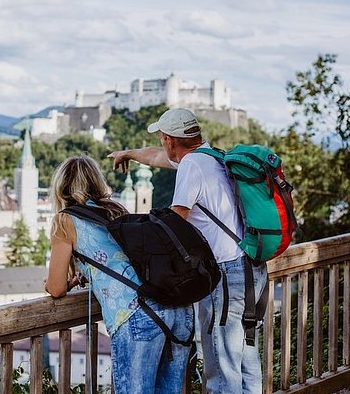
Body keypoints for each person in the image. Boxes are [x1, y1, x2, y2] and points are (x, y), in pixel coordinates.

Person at [109, 108, 268, 394]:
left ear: (170, 139)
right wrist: (129, 153)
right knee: (245, 358)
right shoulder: (212, 156)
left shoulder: (191, 166)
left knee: (222, 369)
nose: (160, 143)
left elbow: (173, 223)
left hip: (226, 274)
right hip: (250, 267)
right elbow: (157, 158)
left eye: (161, 137)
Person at [44, 155, 193, 394]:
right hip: (175, 309)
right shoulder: (117, 210)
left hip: (136, 313)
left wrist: (70, 280)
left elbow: (56, 288)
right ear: (96, 181)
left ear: (61, 187)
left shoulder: (65, 220)